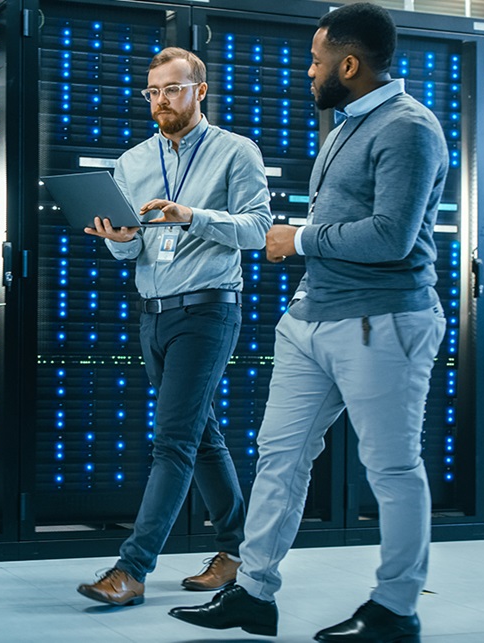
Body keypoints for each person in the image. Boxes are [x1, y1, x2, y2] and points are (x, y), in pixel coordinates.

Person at [169, 4, 448, 641]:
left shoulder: (409, 128)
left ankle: (395, 610)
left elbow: (392, 238)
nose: (309, 71)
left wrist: (298, 241)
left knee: (393, 469)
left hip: (383, 321)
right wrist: (301, 281)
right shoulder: (347, 123)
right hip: (312, 319)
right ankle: (252, 593)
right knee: (279, 458)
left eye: (318, 60)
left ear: (349, 65)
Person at [75, 47, 272, 607]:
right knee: (200, 434)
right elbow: (135, 244)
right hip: (153, 314)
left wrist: (194, 216)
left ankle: (132, 570)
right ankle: (238, 551)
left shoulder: (236, 152)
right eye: (153, 92)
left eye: (173, 89)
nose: (161, 100)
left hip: (209, 310)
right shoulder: (133, 161)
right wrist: (121, 242)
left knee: (174, 441)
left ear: (200, 91)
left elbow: (258, 229)